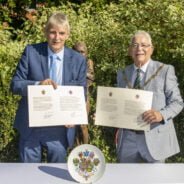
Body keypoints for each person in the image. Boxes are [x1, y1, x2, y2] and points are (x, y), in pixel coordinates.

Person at [10, 12, 87, 163]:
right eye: (52, 32)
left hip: (60, 127)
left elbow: (81, 91)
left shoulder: (78, 60)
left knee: (55, 173)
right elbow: (15, 84)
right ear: (46, 32)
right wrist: (37, 85)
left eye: (61, 33)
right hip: (31, 124)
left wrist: (73, 116)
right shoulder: (31, 52)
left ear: (67, 35)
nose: (56, 37)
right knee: (29, 175)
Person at [116, 30, 183, 163]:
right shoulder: (122, 73)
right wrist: (107, 113)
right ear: (130, 50)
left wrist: (161, 115)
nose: (139, 49)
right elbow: (119, 104)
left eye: (144, 45)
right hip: (128, 140)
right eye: (135, 45)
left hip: (155, 138)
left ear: (151, 49)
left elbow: (178, 102)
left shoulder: (165, 70)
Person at [73, 41, 95, 144]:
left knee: (83, 125)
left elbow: (91, 78)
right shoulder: (69, 63)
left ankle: (85, 148)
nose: (80, 54)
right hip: (71, 97)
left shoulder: (88, 62)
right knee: (74, 127)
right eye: (77, 51)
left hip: (84, 97)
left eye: (82, 52)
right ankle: (77, 150)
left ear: (86, 53)